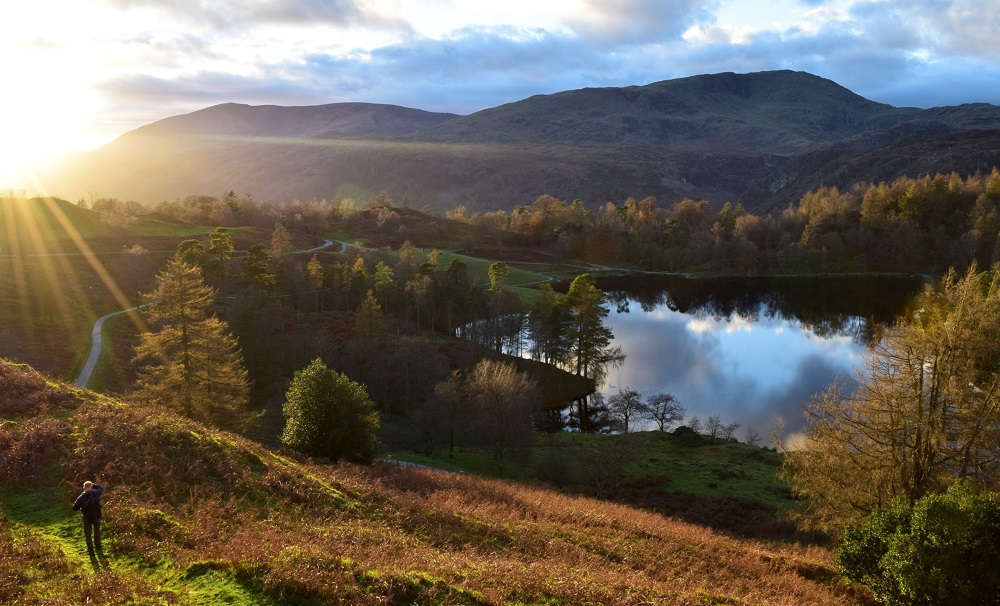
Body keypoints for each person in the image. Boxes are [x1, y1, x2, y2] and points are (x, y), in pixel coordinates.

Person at [72, 480, 103, 555]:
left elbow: (74, 508)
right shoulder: (96, 493)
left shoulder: (81, 497)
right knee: (97, 531)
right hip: (96, 517)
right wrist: (93, 484)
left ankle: (91, 551)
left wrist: (81, 508)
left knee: (88, 534)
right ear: (91, 487)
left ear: (84, 488)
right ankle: (98, 547)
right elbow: (100, 487)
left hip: (87, 518)